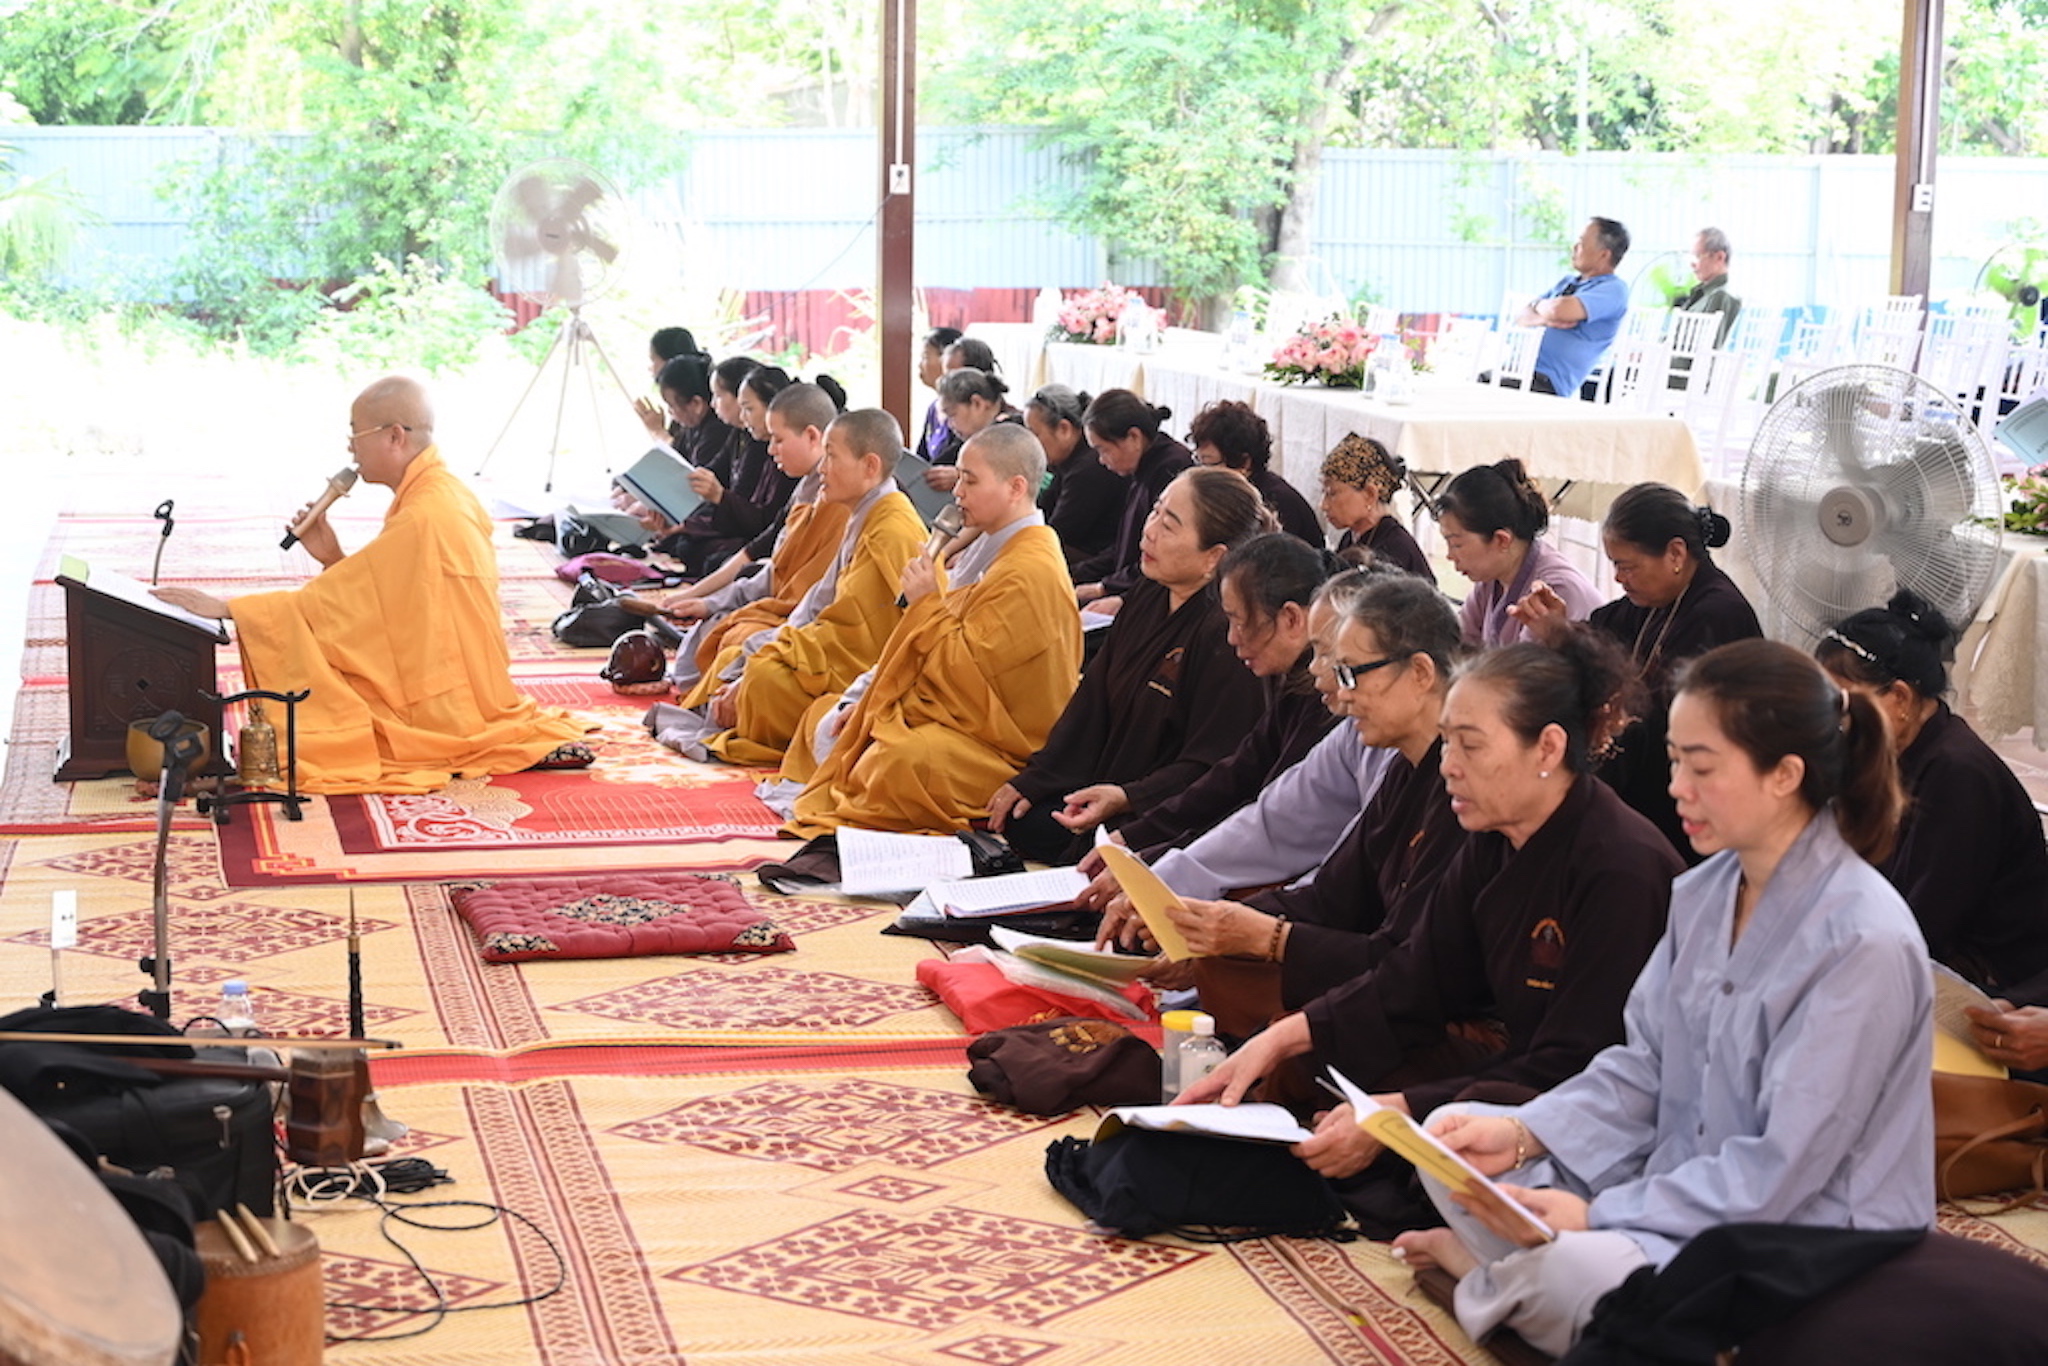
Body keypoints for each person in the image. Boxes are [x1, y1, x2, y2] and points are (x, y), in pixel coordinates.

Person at [1391, 640, 1931, 1360]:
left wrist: (1596, 1216)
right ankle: (1527, 1277)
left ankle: (1492, 1276)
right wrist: (1526, 1133)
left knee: (1580, 1271)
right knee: (1452, 1141)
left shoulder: (1863, 939)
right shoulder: (1705, 894)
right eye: (1675, 762)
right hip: (1674, 1182)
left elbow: (1783, 1171)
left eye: (1701, 768)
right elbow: (1643, 1064)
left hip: (1805, 1233)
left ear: (1784, 775)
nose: (1677, 788)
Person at [1184, 630, 1681, 1186]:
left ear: (1547, 748)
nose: (1448, 766)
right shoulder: (1492, 839)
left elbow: (1577, 1065)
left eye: (1471, 745)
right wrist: (1285, 1037)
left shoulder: (1621, 868)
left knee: (1419, 1121)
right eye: (1446, 742)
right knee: (1304, 1054)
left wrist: (1401, 1112)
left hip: (1586, 1112)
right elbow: (1415, 978)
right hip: (1516, 1068)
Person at [152, 376, 587, 793]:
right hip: (453, 675)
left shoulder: (427, 513)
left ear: (395, 436)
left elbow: (367, 604)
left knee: (339, 720)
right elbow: (388, 602)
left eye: (355, 433)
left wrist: (230, 609)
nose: (350, 446)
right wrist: (332, 557)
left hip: (443, 702)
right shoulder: (439, 491)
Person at [1144, 575, 1470, 1046]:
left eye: (1350, 673)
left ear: (1420, 672)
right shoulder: (1404, 769)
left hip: (1440, 1011)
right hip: (1379, 972)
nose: (1341, 693)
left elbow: (1412, 964)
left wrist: (1269, 939)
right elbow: (1329, 895)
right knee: (1223, 967)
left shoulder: (1467, 789)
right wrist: (1211, 927)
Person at [783, 423, 1083, 836]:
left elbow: (970, 678)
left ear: (1015, 488)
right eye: (958, 478)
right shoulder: (994, 546)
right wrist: (877, 702)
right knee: (831, 715)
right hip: (954, 716)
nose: (957, 492)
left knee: (897, 762)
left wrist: (925, 603)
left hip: (1000, 746)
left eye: (970, 481)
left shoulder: (1031, 569)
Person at [990, 467, 1271, 863]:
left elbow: (1214, 764)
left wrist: (1129, 797)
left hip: (1163, 809)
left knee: (1069, 840)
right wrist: (1040, 775)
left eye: (1169, 526)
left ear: (1215, 557)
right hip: (1108, 782)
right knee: (1022, 817)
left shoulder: (1225, 633)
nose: (1149, 531)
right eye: (1155, 512)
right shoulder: (1148, 593)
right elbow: (1092, 698)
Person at [1815, 591, 2048, 1026]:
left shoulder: (1958, 773)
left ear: (1900, 699)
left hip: (1989, 976)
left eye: (1844, 703)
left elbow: (1925, 921)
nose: (1836, 719)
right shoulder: (1887, 750)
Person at [1516, 481, 1760, 857]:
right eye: (1615, 565)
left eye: (1626, 566)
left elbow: (1659, 717)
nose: (1618, 578)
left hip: (1689, 801)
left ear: (1675, 553)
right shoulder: (1652, 601)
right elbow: (1600, 635)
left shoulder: (1717, 614)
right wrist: (1561, 630)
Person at [674, 408, 928, 767]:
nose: (821, 468)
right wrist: (771, 647)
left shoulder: (892, 531)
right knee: (742, 658)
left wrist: (772, 657)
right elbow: (817, 602)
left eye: (831, 457)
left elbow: (865, 637)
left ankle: (740, 711)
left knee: (762, 679)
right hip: (830, 655)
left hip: (861, 671)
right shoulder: (864, 515)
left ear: (870, 466)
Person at [1101, 534, 1343, 859]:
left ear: (1291, 618)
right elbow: (1237, 774)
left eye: (1239, 621)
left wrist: (1153, 858)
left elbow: (1270, 821)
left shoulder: (1329, 702)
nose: (1231, 638)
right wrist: (1132, 838)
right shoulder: (1296, 687)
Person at [659, 379, 848, 692]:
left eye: (778, 440)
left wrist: (772, 630)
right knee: (721, 625)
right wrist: (706, 600)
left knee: (742, 643)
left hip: (822, 629)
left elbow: (823, 595)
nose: (770, 450)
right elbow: (776, 563)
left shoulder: (844, 502)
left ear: (813, 436)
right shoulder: (807, 486)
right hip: (789, 607)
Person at [654, 355, 800, 578]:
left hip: (761, 539)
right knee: (685, 544)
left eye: (748, 408)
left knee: (714, 559)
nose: (713, 404)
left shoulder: (780, 452)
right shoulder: (743, 435)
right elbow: (711, 472)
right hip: (749, 532)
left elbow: (767, 523)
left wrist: (719, 497)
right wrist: (680, 518)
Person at [1436, 459, 1600, 646]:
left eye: (1456, 544)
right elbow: (1461, 643)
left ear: (1501, 540)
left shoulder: (1554, 591)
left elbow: (1528, 663)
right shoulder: (1491, 580)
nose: (1450, 556)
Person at [1069, 391, 1194, 609]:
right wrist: (1078, 574)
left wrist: (1106, 589)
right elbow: (1124, 545)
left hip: (1150, 596)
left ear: (1134, 437)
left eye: (1103, 450)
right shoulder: (1140, 466)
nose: (1101, 460)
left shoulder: (1171, 469)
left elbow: (1165, 557)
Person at [1515, 216, 1630, 397]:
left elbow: (1558, 310)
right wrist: (1544, 318)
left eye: (1582, 243)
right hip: (1518, 370)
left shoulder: (1613, 289)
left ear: (1604, 254)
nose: (1575, 247)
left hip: (1545, 382)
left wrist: (1541, 309)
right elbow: (1522, 317)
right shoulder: (1568, 281)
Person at [1187, 401, 1323, 547]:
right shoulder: (1223, 493)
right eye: (1198, 461)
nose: (1201, 472)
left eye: (1208, 464)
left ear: (1243, 462)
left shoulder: (1278, 501)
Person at [1025, 384, 1123, 570]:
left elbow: (1056, 533)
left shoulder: (1090, 467)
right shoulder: (1068, 460)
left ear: (1064, 429)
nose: (1031, 445)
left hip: (1095, 563)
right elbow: (1040, 511)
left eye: (1035, 434)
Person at [1320, 433, 1434, 584]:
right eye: (1323, 493)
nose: (1323, 505)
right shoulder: (1350, 538)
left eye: (1332, 493)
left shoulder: (1395, 549)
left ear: (1370, 494)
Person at [922, 369, 1022, 492]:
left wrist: (963, 477)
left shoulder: (1016, 433)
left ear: (977, 403)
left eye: (952, 415)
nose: (949, 424)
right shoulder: (968, 435)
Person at [1674, 226, 1741, 346]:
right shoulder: (1703, 294)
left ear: (1719, 257)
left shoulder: (1720, 296)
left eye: (1697, 256)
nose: (1692, 264)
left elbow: (1705, 349)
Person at [915, 325, 964, 462]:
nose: (919, 365)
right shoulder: (933, 408)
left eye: (925, 357)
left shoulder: (965, 411)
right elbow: (921, 459)